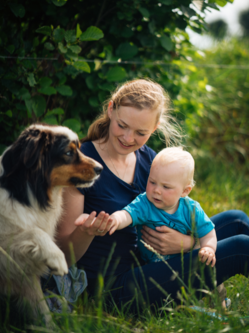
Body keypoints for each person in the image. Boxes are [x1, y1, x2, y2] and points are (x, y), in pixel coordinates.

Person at [56, 79, 249, 313]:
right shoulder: (81, 164)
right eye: (122, 125)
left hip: (152, 261)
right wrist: (85, 232)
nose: (128, 138)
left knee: (237, 220)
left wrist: (188, 244)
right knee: (240, 248)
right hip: (116, 288)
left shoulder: (150, 160)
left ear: (155, 128)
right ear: (110, 109)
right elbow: (64, 256)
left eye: (140, 132)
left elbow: (182, 215)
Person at [109, 147, 217, 267]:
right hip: (149, 267)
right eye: (152, 182)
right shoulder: (145, 203)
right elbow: (127, 214)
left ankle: (214, 283)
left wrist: (208, 248)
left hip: (183, 264)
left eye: (166, 187)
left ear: (185, 191)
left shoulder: (191, 210)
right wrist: (116, 219)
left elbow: (208, 234)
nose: (157, 191)